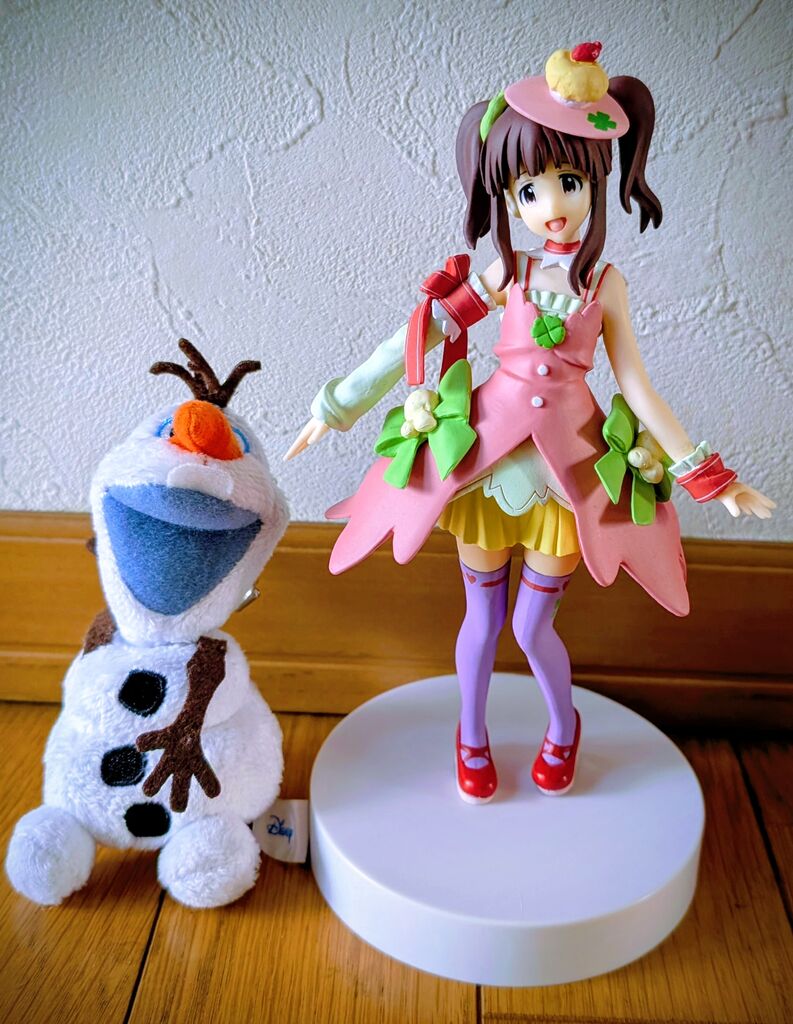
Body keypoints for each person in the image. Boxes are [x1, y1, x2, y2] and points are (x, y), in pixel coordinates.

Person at [285, 43, 774, 804]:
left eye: (568, 182)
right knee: (481, 619)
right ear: (509, 199)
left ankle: (562, 725)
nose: (551, 203)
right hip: (485, 466)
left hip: (566, 475)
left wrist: (710, 477)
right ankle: (471, 734)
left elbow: (638, 388)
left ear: (595, 183)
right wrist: (337, 406)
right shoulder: (505, 273)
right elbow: (419, 331)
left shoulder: (605, 284)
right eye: (528, 189)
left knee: (532, 627)